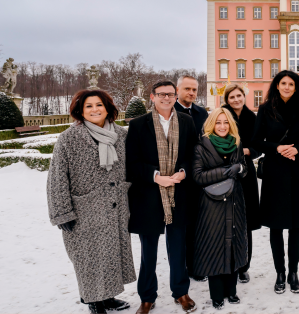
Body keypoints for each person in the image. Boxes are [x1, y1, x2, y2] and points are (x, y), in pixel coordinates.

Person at [47, 90, 135, 314]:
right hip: (85, 209)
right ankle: (93, 300)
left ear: (108, 108)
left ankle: (107, 297)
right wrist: (62, 213)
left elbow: (132, 170)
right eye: (89, 106)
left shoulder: (121, 135)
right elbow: (57, 177)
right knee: (89, 258)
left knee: (111, 256)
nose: (95, 109)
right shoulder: (69, 137)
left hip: (115, 207)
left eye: (99, 105)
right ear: (80, 110)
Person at [126, 81, 198, 314]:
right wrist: (156, 177)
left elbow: (193, 154)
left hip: (179, 193)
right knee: (149, 251)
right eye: (161, 94)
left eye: (170, 94)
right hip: (149, 195)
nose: (166, 98)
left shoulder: (187, 122)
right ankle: (147, 296)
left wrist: (183, 172)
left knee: (178, 247)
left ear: (176, 97)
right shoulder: (138, 125)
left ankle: (181, 292)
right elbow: (131, 164)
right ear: (152, 96)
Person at [251, 70, 299, 295]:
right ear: (277, 86)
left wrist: (296, 149)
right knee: (276, 226)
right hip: (274, 173)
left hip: (296, 172)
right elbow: (256, 141)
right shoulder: (266, 109)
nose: (287, 87)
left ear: (296, 87)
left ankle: (293, 273)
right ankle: (280, 272)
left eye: (291, 84)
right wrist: (277, 148)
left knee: (295, 227)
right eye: (283, 83)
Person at [191, 107, 249, 309]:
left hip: (235, 202)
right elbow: (198, 176)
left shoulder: (236, 143)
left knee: (233, 246)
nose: (222, 126)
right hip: (211, 206)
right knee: (214, 247)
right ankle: (217, 294)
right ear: (211, 124)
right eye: (218, 122)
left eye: (226, 122)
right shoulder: (201, 147)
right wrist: (226, 171)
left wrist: (240, 168)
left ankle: (231, 292)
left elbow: (244, 168)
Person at [222, 83, 262, 284]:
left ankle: (244, 265)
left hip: (246, 174)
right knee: (227, 220)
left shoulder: (252, 118)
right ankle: (228, 264)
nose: (236, 100)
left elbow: (259, 146)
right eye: (232, 97)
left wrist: (247, 151)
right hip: (225, 173)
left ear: (243, 97)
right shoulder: (222, 116)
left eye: (239, 96)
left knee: (245, 222)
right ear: (227, 99)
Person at [174, 74, 209, 282]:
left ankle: (197, 265)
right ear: (178, 90)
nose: (191, 93)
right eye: (187, 89)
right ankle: (182, 267)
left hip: (199, 175)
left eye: (194, 90)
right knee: (181, 226)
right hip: (177, 175)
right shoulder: (170, 111)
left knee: (199, 223)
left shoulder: (201, 112)